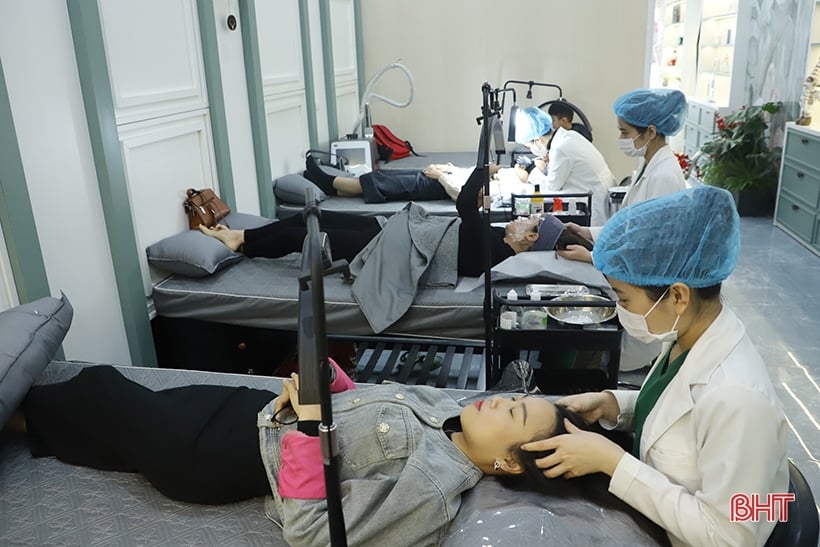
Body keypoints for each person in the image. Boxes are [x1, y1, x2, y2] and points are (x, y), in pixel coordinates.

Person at [21, 361, 567, 546]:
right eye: (514, 398)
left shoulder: (430, 490)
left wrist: (308, 426)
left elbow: (313, 532)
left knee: (99, 389)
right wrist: (330, 384)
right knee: (98, 422)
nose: (499, 401)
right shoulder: (448, 410)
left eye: (513, 414)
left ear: (509, 463)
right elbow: (369, 415)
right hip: (252, 410)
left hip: (216, 456)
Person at [521, 186, 789, 547]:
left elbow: (731, 537)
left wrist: (614, 464)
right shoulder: (688, 336)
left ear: (678, 295)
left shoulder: (739, 399)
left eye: (624, 298)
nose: (621, 309)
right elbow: (677, 412)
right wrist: (614, 404)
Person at [200, 167, 591, 278]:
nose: (519, 220)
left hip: (393, 254)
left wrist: (480, 173)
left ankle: (241, 243)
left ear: (531, 238)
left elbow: (467, 214)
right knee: (312, 215)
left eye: (527, 222)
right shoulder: (500, 241)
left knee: (300, 236)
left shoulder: (495, 253)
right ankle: (241, 233)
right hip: (396, 233)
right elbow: (476, 215)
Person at [558, 88, 689, 265]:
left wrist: (592, 258)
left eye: (625, 132)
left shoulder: (663, 176)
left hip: (647, 275)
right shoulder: (649, 163)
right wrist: (587, 232)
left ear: (650, 132)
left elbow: (650, 246)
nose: (621, 138)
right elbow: (630, 226)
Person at [514, 106, 616, 226]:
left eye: (529, 146)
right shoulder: (568, 136)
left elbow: (551, 189)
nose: (531, 150)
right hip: (598, 196)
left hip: (595, 207)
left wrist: (530, 172)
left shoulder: (560, 149)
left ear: (537, 140)